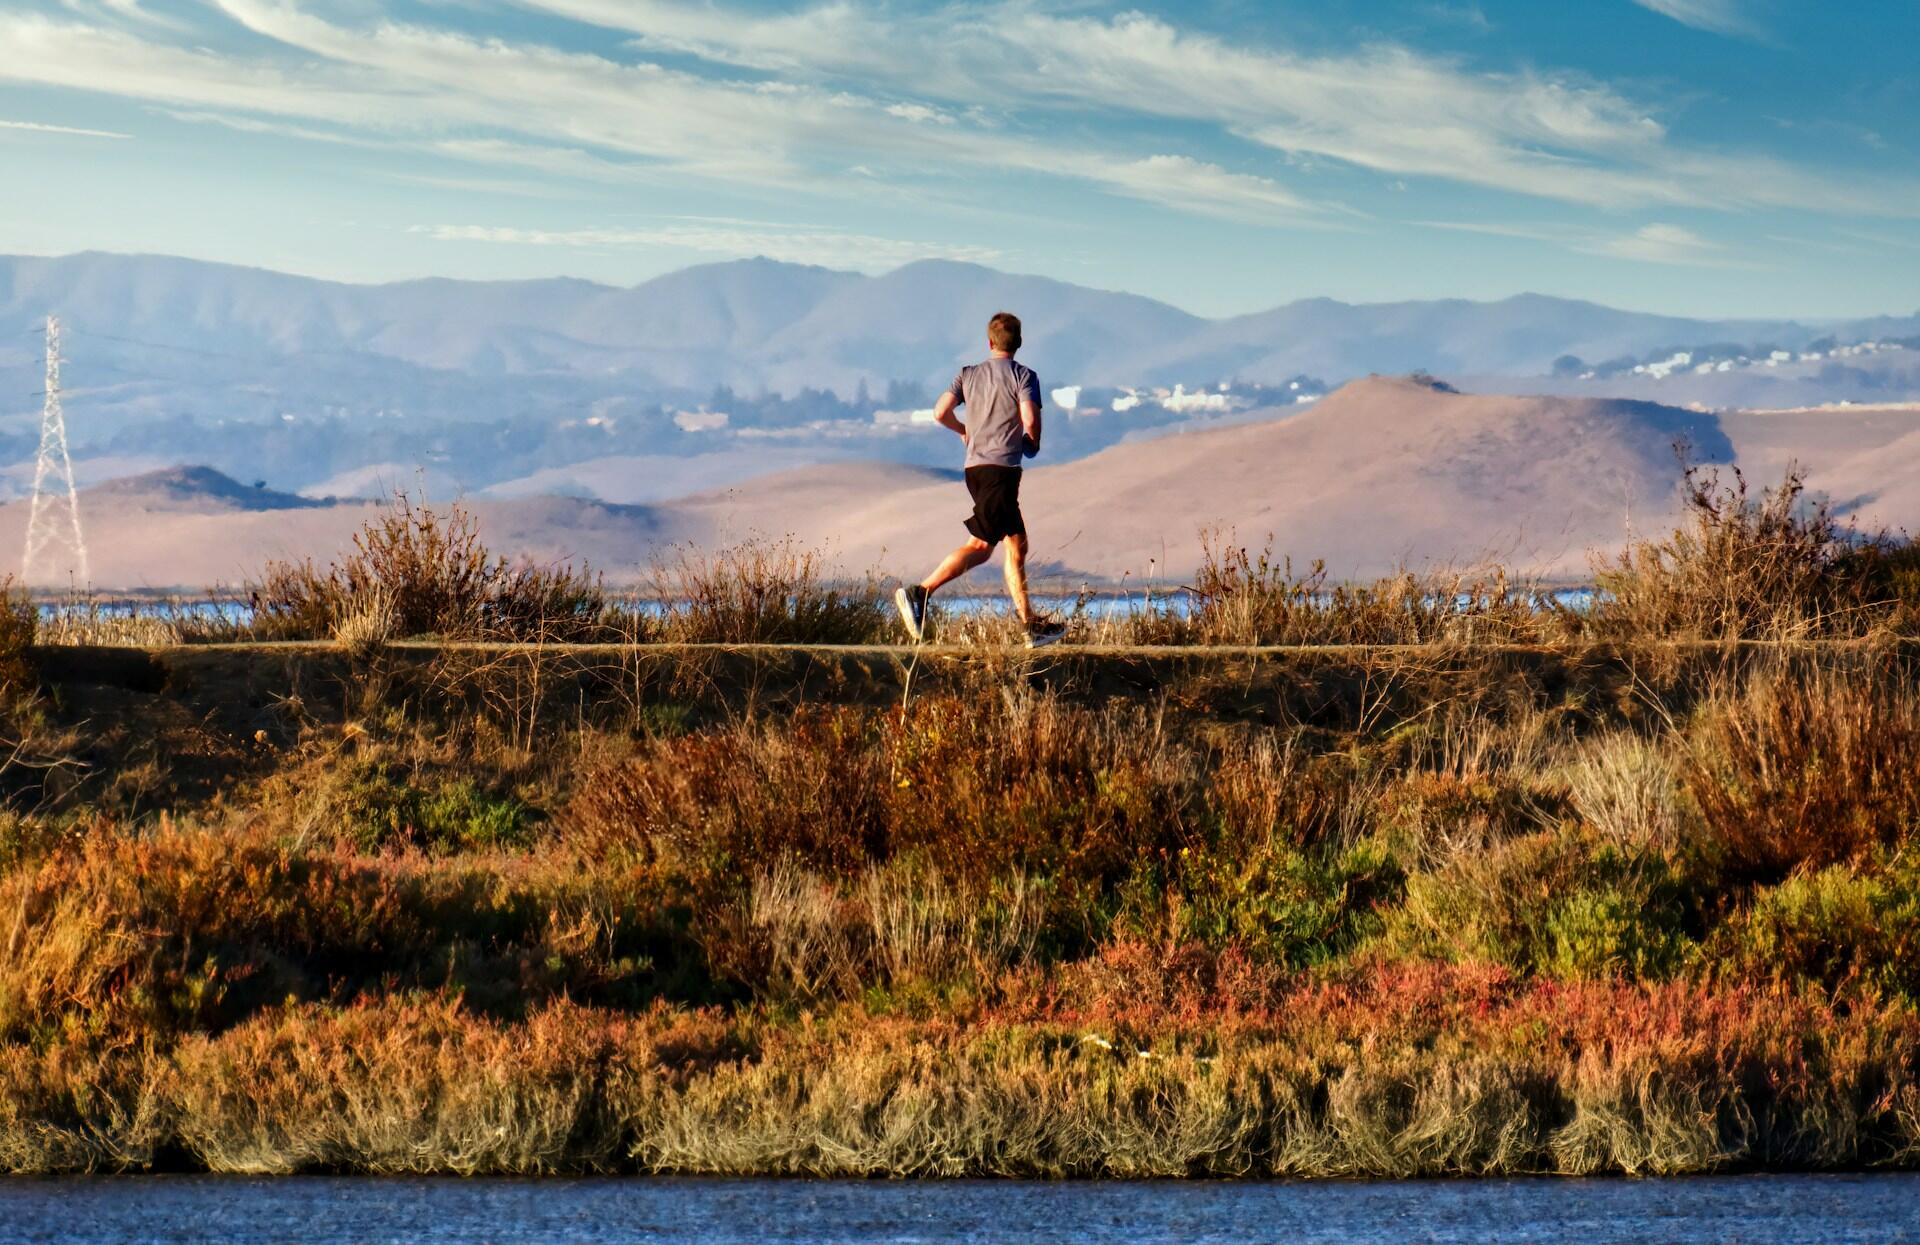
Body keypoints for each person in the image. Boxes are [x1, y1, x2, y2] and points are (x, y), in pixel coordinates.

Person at [895, 311, 1067, 648]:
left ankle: (1030, 624)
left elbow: (940, 412)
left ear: (989, 342)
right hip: (1001, 469)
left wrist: (964, 432)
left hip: (976, 468)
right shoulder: (1024, 375)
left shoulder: (967, 374)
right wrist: (1032, 441)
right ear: (1018, 343)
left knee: (1016, 543)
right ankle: (920, 593)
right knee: (981, 546)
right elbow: (1030, 418)